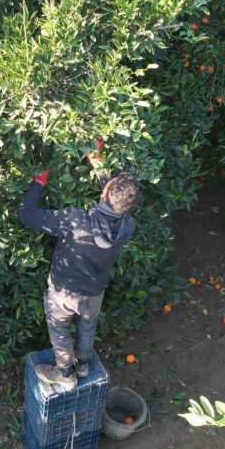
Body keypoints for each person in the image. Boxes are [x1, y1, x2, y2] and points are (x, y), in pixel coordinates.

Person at [19, 139, 141, 389]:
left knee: (59, 329)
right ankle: (83, 364)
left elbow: (27, 214)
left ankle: (65, 375)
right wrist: (97, 162)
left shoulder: (75, 220)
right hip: (95, 291)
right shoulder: (127, 226)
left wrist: (38, 183)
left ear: (106, 193)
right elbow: (112, 197)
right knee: (87, 325)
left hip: (64, 293)